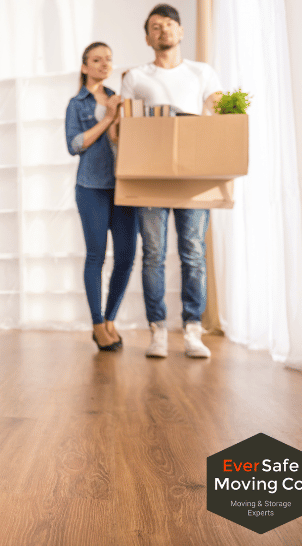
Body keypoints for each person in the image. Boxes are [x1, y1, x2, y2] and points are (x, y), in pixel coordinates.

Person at [120, 3, 222, 358]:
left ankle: (193, 331)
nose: (162, 31)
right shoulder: (135, 77)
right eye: (155, 27)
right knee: (153, 255)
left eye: (168, 25)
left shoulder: (202, 72)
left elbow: (217, 112)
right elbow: (125, 128)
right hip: (151, 178)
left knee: (193, 253)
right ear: (148, 38)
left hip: (192, 177)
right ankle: (158, 331)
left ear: (180, 32)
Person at [65, 42, 138, 352]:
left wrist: (120, 120)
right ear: (84, 67)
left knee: (126, 257)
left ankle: (110, 319)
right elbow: (75, 144)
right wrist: (107, 119)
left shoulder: (118, 99)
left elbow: (125, 142)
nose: (103, 64)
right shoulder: (76, 103)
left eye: (108, 59)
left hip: (123, 187)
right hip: (91, 188)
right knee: (96, 256)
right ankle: (97, 324)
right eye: (96, 60)